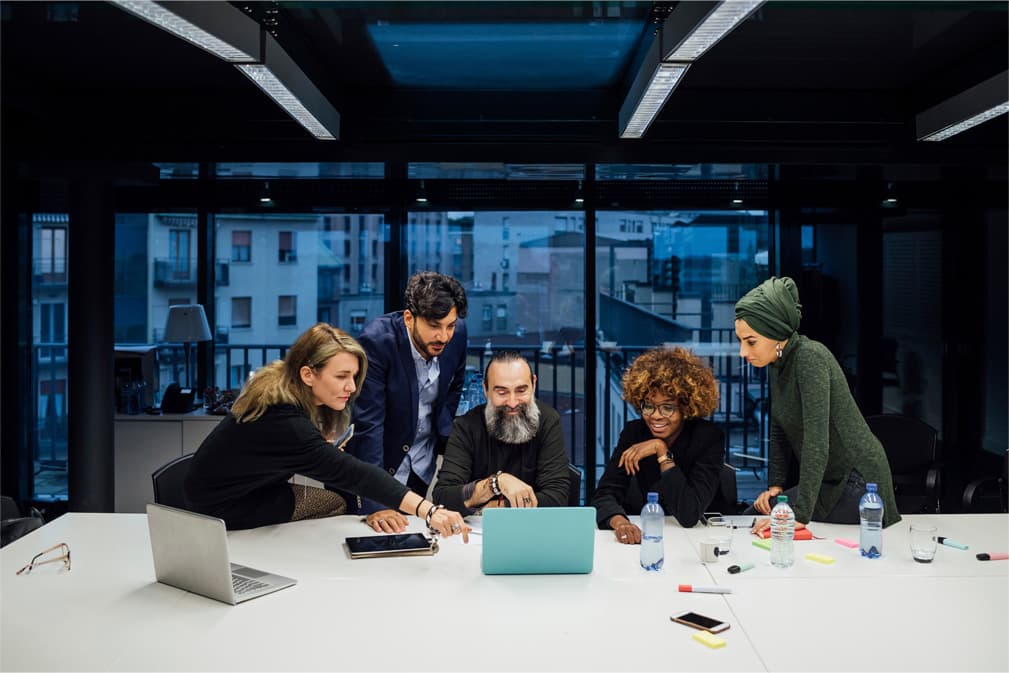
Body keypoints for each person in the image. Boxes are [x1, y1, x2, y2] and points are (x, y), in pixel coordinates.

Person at [184, 323, 469, 540]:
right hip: (224, 510)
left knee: (336, 500)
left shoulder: (281, 391)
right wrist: (430, 510)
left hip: (239, 490)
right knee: (334, 502)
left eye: (354, 377)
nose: (352, 387)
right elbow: (357, 474)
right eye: (342, 376)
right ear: (308, 374)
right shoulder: (286, 422)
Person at [734, 276, 901, 534]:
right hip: (830, 480)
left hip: (859, 481)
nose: (743, 352)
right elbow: (779, 425)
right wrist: (775, 486)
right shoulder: (776, 363)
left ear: (776, 334)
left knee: (772, 528)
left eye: (751, 341)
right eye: (740, 341)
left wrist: (799, 514)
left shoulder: (810, 358)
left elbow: (816, 440)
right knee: (755, 517)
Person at [345, 271, 469, 531]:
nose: (444, 336)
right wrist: (375, 503)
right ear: (409, 318)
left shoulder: (457, 336)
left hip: (421, 468)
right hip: (378, 469)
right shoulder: (377, 342)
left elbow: (454, 385)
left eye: (450, 325)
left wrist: (443, 433)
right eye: (434, 326)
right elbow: (369, 426)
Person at [592, 347, 725, 542]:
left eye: (667, 407)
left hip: (706, 539)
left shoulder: (708, 438)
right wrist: (620, 522)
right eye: (649, 405)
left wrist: (661, 451)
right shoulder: (634, 433)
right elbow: (605, 494)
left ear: (686, 408)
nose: (655, 415)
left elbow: (689, 515)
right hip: (654, 534)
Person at [433, 351, 570, 513]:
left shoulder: (548, 420)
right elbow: (443, 496)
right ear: (485, 389)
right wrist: (495, 484)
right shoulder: (466, 426)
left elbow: (557, 497)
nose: (512, 403)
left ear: (533, 384)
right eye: (502, 392)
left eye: (521, 390)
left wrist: (494, 507)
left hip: (534, 531)